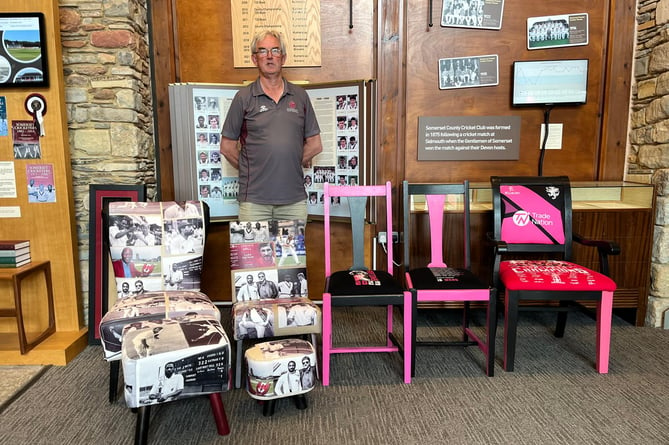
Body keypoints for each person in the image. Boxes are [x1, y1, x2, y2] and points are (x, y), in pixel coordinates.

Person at [220, 29, 323, 221]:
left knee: (293, 253)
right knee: (255, 252)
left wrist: (287, 162)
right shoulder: (243, 98)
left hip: (293, 201)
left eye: (275, 50)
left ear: (283, 58)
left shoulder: (300, 96)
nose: (269, 56)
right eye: (263, 51)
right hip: (254, 202)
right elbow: (227, 147)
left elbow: (315, 144)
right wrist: (255, 168)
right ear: (254, 59)